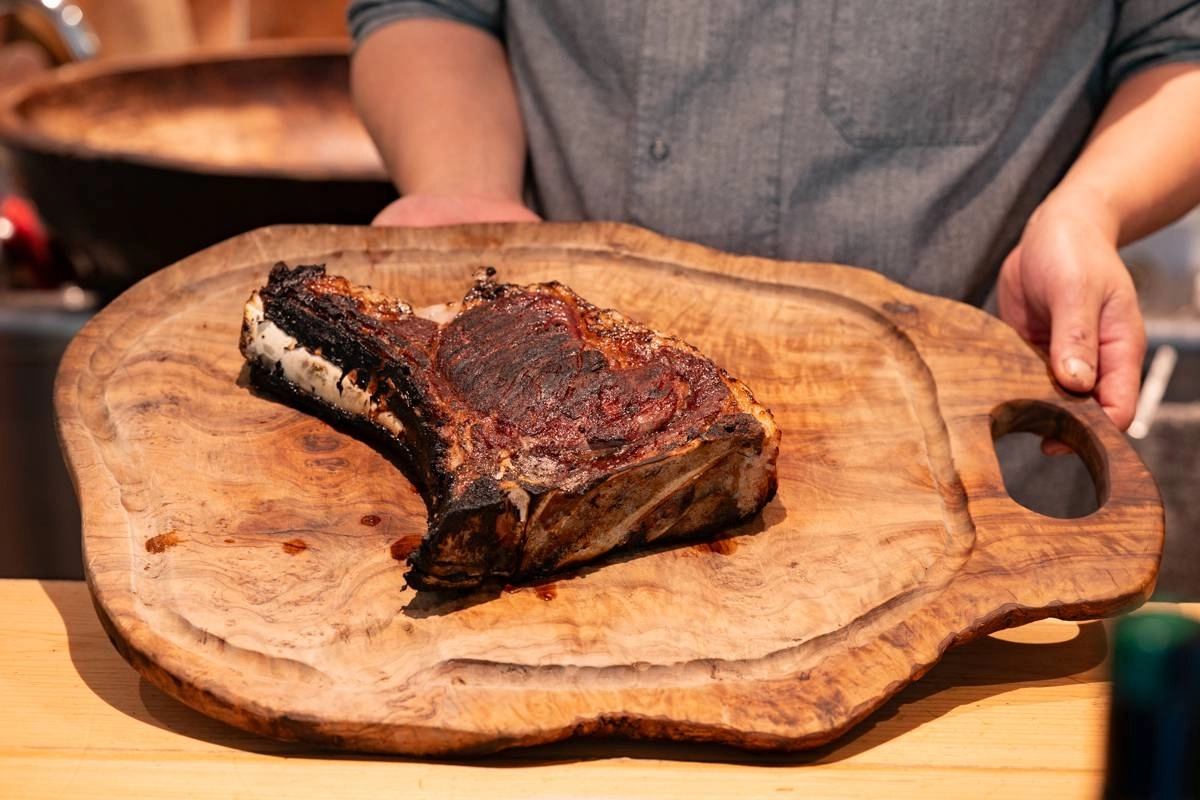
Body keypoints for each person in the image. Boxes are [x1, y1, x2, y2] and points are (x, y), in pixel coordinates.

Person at [346, 1, 1200, 436]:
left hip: (964, 443)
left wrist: (1089, 210)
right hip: (551, 424)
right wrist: (464, 187)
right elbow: (434, 9)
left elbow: (1178, 44)